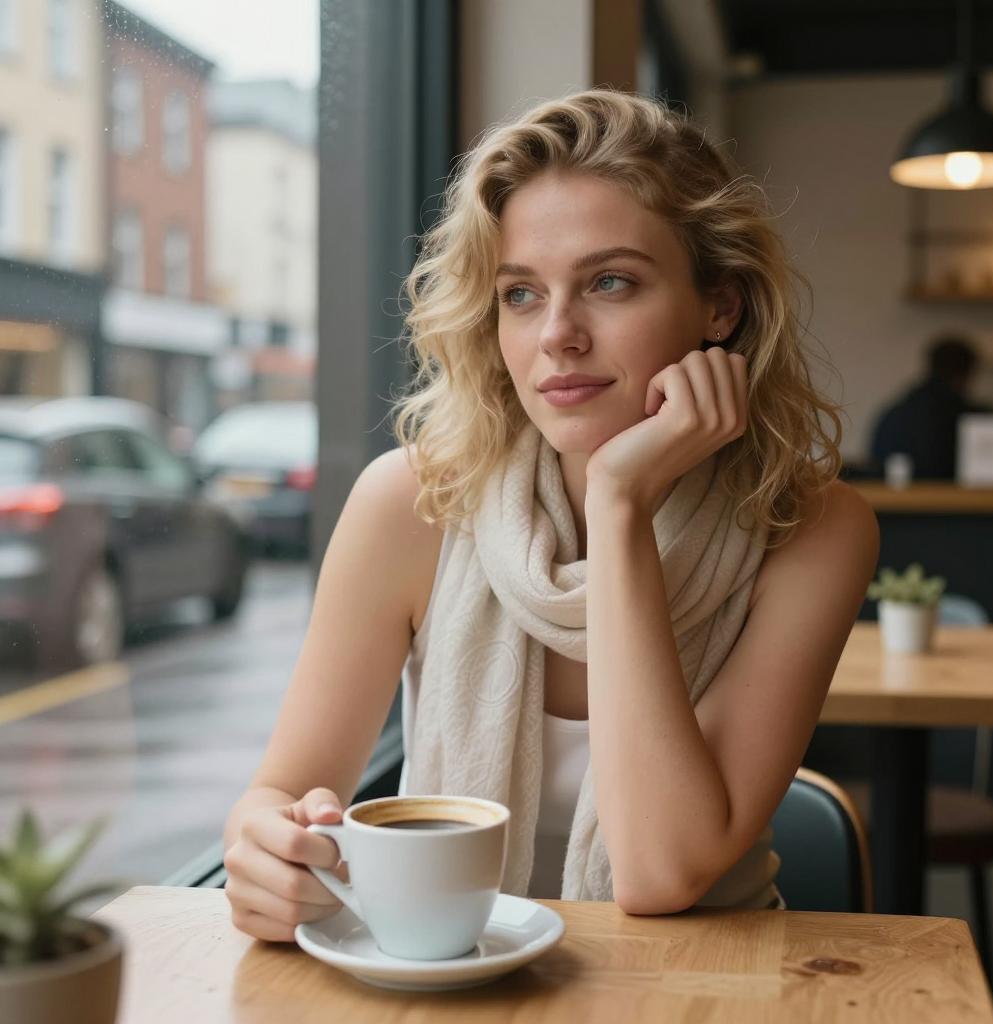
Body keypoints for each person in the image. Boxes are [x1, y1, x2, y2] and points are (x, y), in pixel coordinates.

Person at [222, 89, 879, 942]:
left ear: (721, 304)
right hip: (448, 976)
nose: (557, 335)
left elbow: (662, 870)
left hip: (705, 987)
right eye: (521, 294)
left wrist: (619, 505)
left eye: (611, 282)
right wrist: (266, 851)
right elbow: (280, 794)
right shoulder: (413, 502)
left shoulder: (813, 530)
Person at [869, 336, 993, 480]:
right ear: (965, 375)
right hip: (947, 498)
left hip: (893, 498)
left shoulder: (897, 411)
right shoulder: (971, 418)